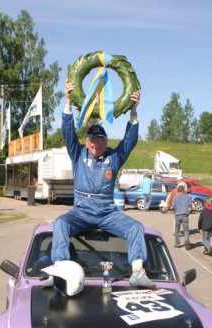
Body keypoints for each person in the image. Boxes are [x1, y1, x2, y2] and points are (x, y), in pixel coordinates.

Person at [50, 80, 155, 288]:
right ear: (87, 142)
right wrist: (68, 101)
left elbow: (129, 141)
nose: (96, 144)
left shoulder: (114, 157)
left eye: (100, 140)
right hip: (81, 210)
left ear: (106, 142)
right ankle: (60, 269)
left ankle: (137, 272)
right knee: (60, 223)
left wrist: (133, 111)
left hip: (108, 211)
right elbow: (68, 132)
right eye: (92, 140)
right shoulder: (77, 153)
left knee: (136, 227)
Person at [171, 185, 192, 250]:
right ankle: (186, 241)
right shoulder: (187, 197)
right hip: (185, 214)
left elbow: (173, 207)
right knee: (186, 229)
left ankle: (177, 243)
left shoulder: (175, 197)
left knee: (177, 230)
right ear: (183, 190)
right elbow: (190, 206)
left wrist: (175, 212)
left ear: (177, 190)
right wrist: (188, 211)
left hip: (177, 214)